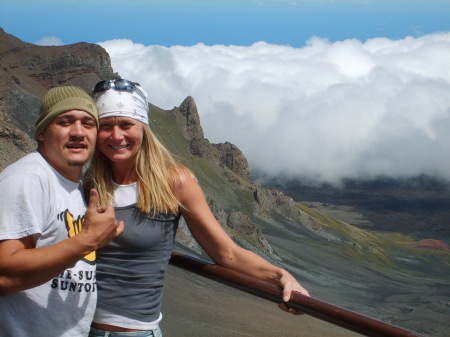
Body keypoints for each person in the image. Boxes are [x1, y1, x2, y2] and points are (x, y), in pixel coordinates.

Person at [84, 79, 310, 337]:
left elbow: (227, 254)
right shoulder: (91, 183)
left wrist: (280, 276)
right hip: (78, 328)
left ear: (143, 129)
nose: (116, 136)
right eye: (106, 126)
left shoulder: (174, 182)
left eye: (126, 125)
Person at [0, 86, 124, 337]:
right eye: (65, 122)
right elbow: (5, 275)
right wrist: (88, 241)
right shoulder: (30, 178)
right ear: (42, 133)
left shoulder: (72, 186)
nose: (78, 132)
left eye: (88, 124)